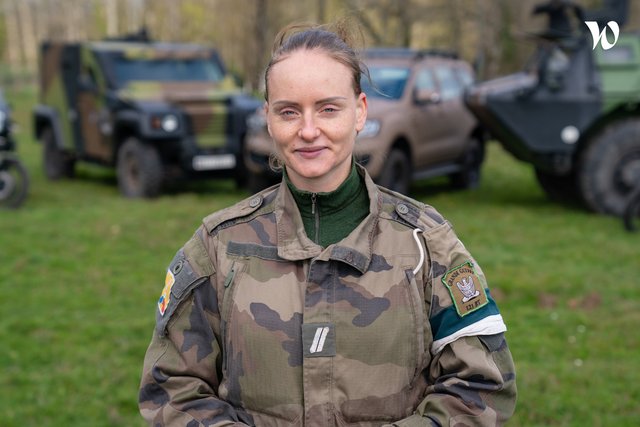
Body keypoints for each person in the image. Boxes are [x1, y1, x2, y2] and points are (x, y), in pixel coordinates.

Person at [138, 21, 517, 426]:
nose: (308, 130)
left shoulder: (426, 243)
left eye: (328, 108)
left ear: (361, 112)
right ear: (268, 119)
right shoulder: (219, 246)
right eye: (288, 111)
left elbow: (480, 386)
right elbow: (172, 387)